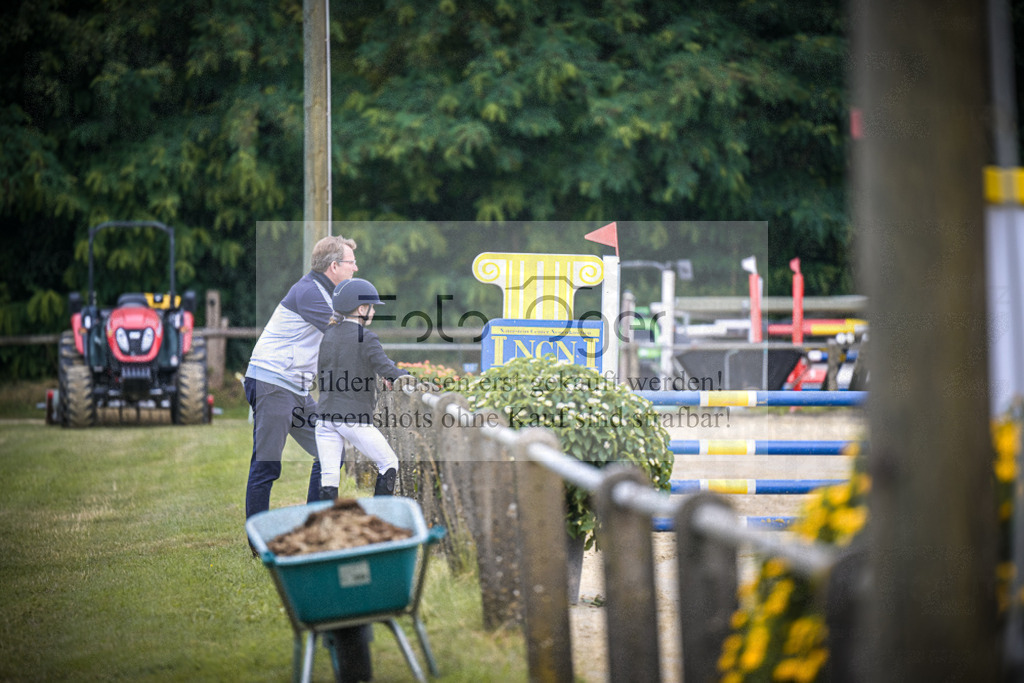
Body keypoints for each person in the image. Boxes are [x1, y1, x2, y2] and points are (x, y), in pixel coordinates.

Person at [243, 235, 358, 525]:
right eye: (351, 263)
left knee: (331, 450)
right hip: (273, 384)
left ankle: (314, 527)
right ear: (334, 266)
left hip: (294, 387)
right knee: (267, 464)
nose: (355, 268)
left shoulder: (326, 294)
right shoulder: (311, 293)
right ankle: (260, 542)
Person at [315, 278, 409, 500]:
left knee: (328, 479)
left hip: (324, 418)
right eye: (372, 307)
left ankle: (327, 531)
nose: (374, 312)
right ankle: (379, 522)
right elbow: (388, 369)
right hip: (352, 418)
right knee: (389, 463)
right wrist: (409, 378)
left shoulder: (328, 334)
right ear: (361, 309)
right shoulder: (366, 338)